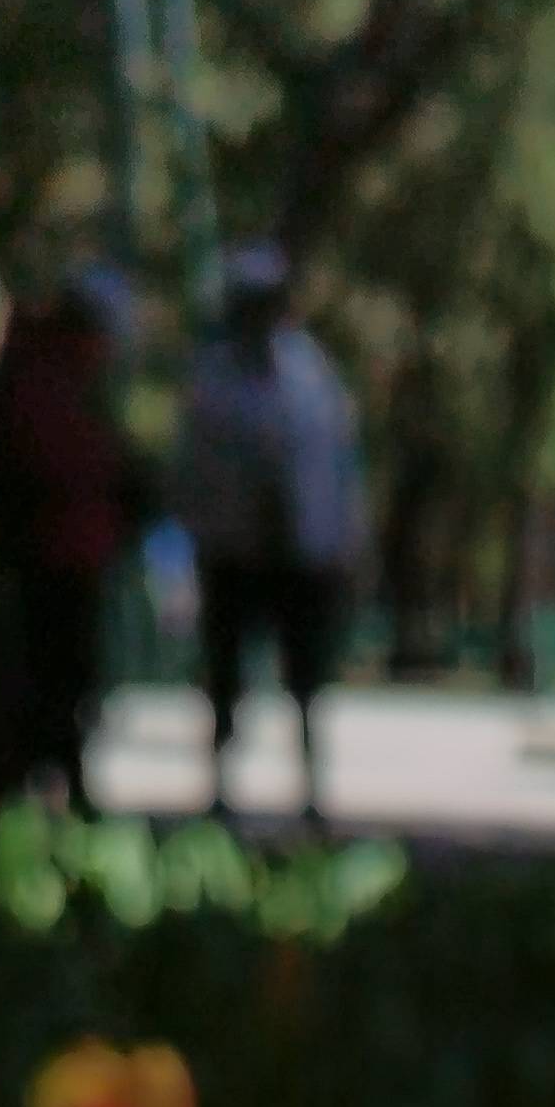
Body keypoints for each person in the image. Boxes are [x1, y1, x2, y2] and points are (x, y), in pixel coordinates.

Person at [173, 246, 365, 814]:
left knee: (305, 678)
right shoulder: (211, 382)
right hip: (232, 554)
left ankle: (310, 789)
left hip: (301, 557)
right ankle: (219, 788)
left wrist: (340, 540)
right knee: (225, 675)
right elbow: (193, 472)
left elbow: (336, 466)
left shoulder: (311, 375)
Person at [0, 270, 139, 806]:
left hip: (78, 554)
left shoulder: (74, 383)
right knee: (53, 678)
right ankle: (52, 781)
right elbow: (55, 466)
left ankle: (64, 779)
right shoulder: (46, 382)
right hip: (49, 558)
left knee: (71, 677)